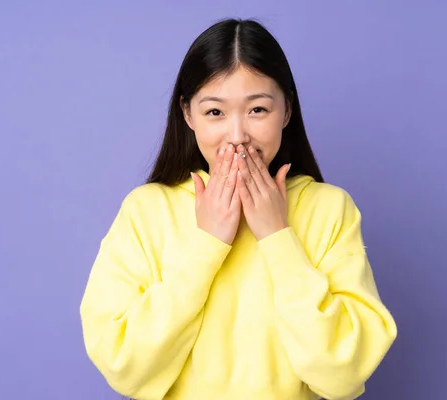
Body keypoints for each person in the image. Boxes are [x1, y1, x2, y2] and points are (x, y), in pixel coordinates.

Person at [79, 18, 397, 400]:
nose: (237, 135)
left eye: (257, 110)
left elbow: (343, 374)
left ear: (287, 110)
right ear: (187, 114)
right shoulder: (146, 211)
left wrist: (278, 237)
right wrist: (206, 244)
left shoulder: (328, 209)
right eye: (215, 112)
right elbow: (123, 366)